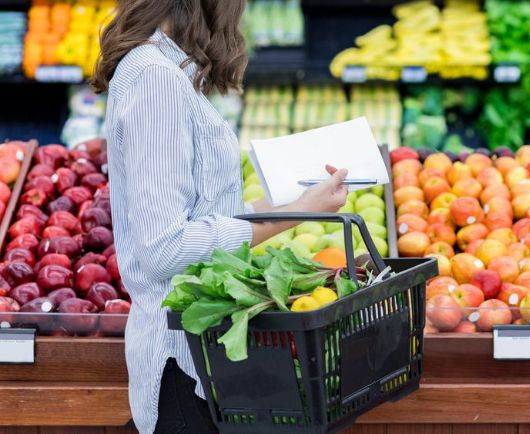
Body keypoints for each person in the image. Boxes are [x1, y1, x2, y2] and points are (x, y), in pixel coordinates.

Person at [91, 1, 348, 433]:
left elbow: (203, 216)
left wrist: (297, 204)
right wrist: (293, 217)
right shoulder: (156, 80)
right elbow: (164, 248)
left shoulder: (165, 71)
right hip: (181, 362)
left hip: (205, 357)